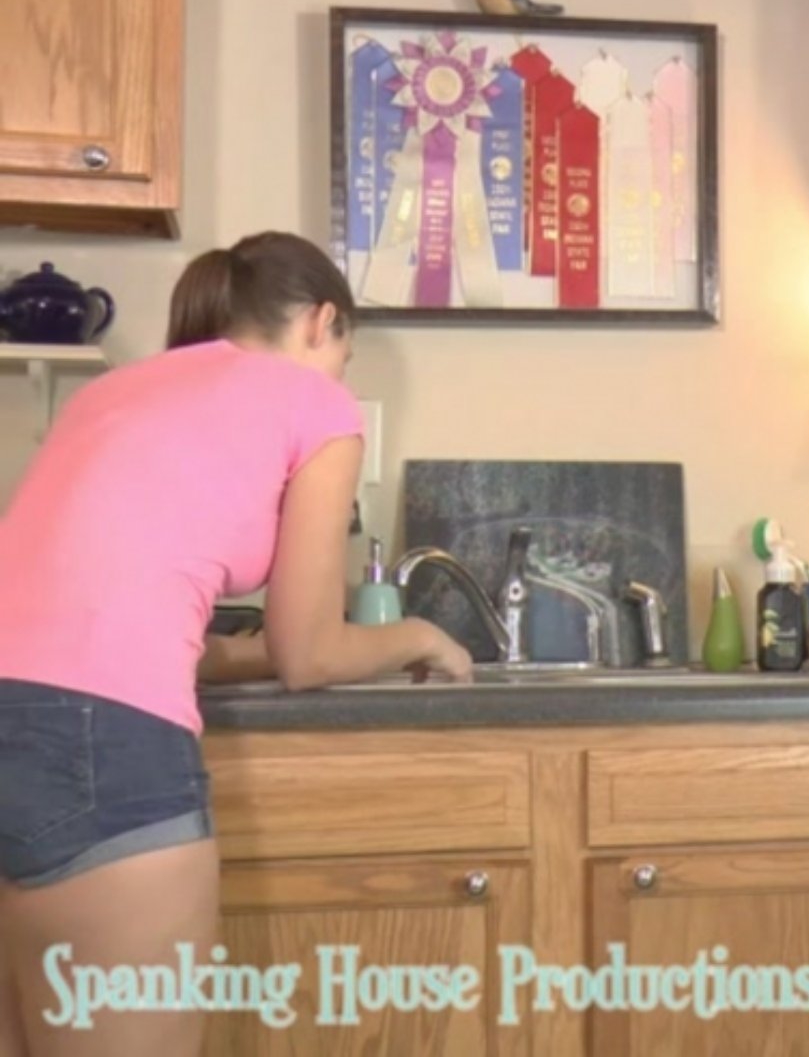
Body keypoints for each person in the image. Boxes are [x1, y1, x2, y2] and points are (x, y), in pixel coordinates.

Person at [0, 232, 473, 1056]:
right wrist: (420, 634)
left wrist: (258, 648)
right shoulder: (316, 402)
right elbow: (309, 654)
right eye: (345, 354)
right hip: (98, 751)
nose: (341, 375)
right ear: (321, 322)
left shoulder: (112, 392)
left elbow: (126, 630)